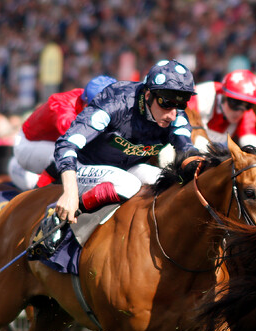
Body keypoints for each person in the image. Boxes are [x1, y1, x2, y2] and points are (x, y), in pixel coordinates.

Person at [51, 59, 199, 224]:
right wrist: (70, 193)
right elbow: (66, 145)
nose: (173, 115)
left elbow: (187, 149)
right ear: (148, 95)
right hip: (84, 166)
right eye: (167, 104)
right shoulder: (115, 102)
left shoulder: (175, 116)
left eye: (180, 104)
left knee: (167, 183)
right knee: (127, 184)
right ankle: (63, 217)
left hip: (127, 168)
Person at [8, 75, 117, 191]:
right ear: (87, 104)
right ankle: (36, 196)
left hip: (51, 143)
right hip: (28, 146)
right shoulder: (62, 105)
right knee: (68, 154)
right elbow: (75, 136)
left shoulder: (89, 98)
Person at [188, 69, 256, 151]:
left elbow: (251, 143)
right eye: (235, 103)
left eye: (248, 105)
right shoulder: (199, 96)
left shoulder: (246, 113)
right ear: (223, 95)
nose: (239, 112)